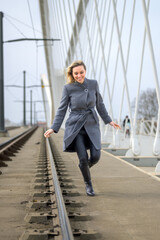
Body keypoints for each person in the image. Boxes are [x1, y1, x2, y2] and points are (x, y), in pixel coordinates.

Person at [44, 60, 120, 196]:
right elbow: (61, 110)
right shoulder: (68, 88)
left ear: (85, 71)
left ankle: (84, 167)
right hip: (76, 127)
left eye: (81, 72)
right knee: (83, 158)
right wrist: (53, 128)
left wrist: (109, 121)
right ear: (72, 75)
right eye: (76, 74)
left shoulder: (93, 84)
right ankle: (88, 184)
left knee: (96, 156)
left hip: (92, 124)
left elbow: (100, 104)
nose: (79, 76)